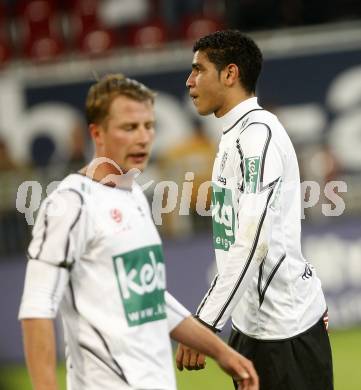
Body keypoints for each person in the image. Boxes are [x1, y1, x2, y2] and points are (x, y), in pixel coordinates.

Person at [18, 74, 258, 390]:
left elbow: (150, 298)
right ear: (97, 133)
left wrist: (221, 352)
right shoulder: (70, 203)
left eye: (149, 126)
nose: (143, 138)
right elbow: (36, 308)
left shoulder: (133, 195)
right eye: (129, 128)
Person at [176, 30, 333, 390]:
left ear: (230, 74)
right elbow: (234, 240)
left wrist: (205, 321)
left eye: (199, 69)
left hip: (285, 332)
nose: (189, 81)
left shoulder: (257, 136)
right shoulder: (233, 136)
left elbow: (252, 242)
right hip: (251, 327)